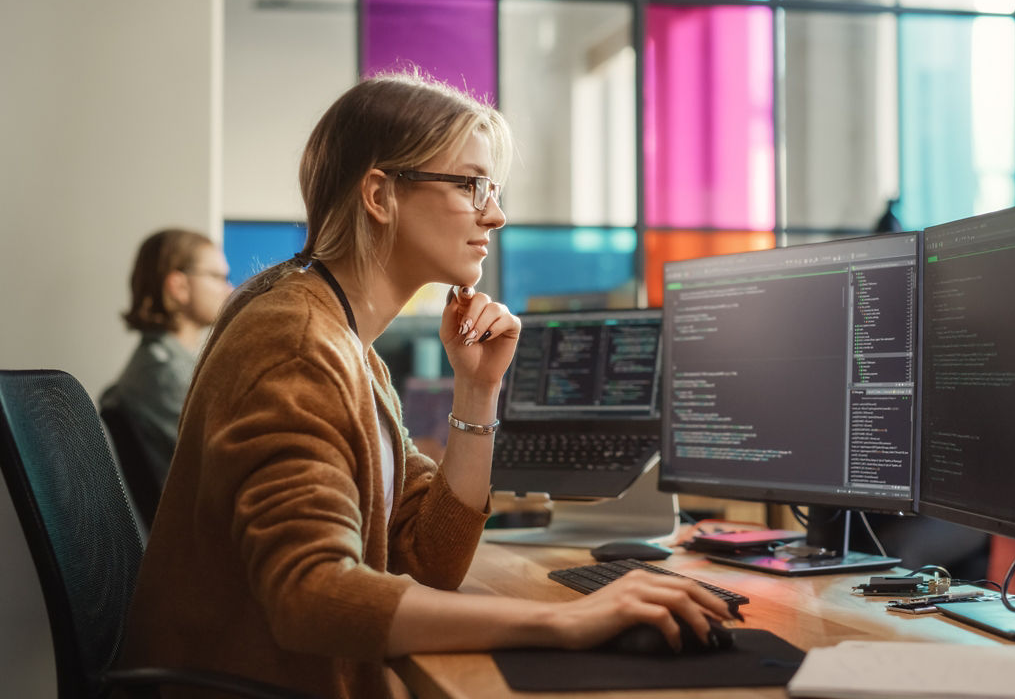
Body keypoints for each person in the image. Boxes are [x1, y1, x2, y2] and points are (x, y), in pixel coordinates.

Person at [119, 72, 732, 699]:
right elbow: (310, 595)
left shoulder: (345, 340)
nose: (495, 214)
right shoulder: (298, 342)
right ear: (381, 196)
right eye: (470, 185)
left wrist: (477, 391)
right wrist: (569, 620)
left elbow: (430, 557)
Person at [100, 229, 232, 522]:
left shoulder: (169, 365)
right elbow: (227, 468)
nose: (229, 289)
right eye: (217, 277)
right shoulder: (163, 375)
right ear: (178, 286)